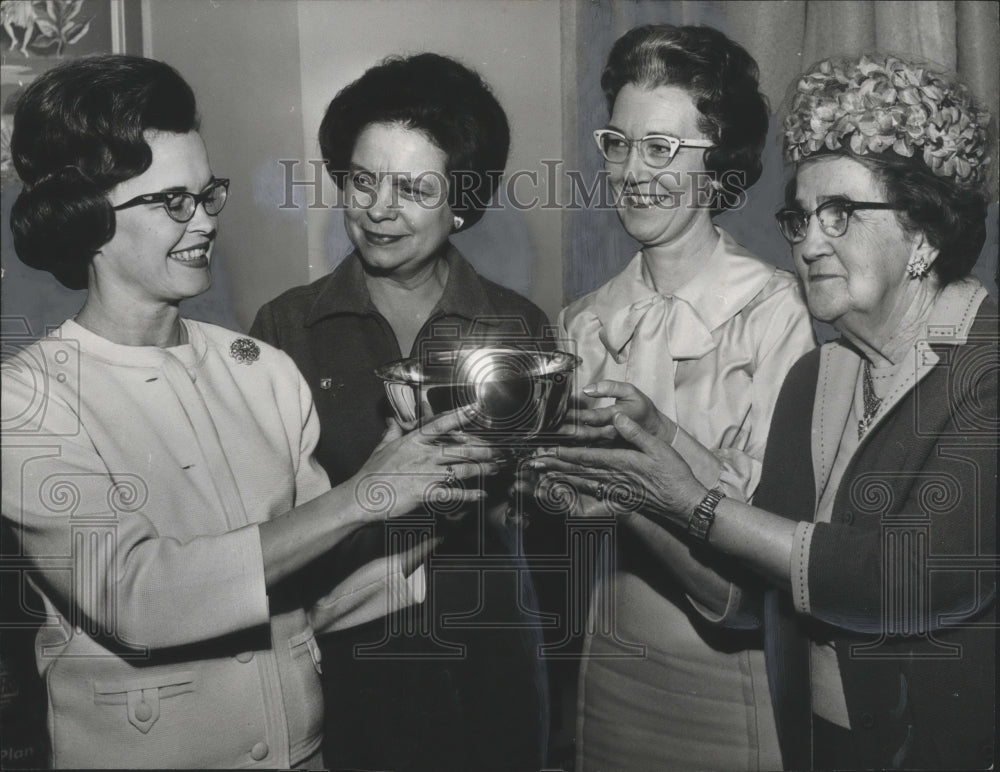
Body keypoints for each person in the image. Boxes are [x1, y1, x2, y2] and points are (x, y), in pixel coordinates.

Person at [0, 54, 497, 769]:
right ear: (89, 218)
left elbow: (315, 600)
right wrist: (367, 494)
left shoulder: (260, 370)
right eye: (173, 202)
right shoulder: (27, 401)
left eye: (209, 195)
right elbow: (144, 599)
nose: (204, 221)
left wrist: (433, 498)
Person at [533, 54, 997, 770]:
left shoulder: (985, 364)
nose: (809, 242)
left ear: (925, 230)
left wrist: (682, 498)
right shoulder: (820, 376)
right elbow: (753, 597)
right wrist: (657, 440)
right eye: (802, 217)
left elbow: (901, 584)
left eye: (841, 214)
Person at [251, 53, 549, 772]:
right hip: (341, 664)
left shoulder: (517, 327)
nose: (379, 209)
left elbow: (539, 513)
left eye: (414, 188)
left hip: (491, 661)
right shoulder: (286, 329)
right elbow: (260, 534)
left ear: (463, 202)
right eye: (362, 181)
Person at [542, 24, 817, 772]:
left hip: (734, 682)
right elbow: (560, 523)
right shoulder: (582, 321)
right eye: (618, 143)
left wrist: (634, 486)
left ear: (719, 164)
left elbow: (760, 572)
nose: (632, 172)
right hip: (609, 673)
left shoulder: (774, 314)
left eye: (661, 148)